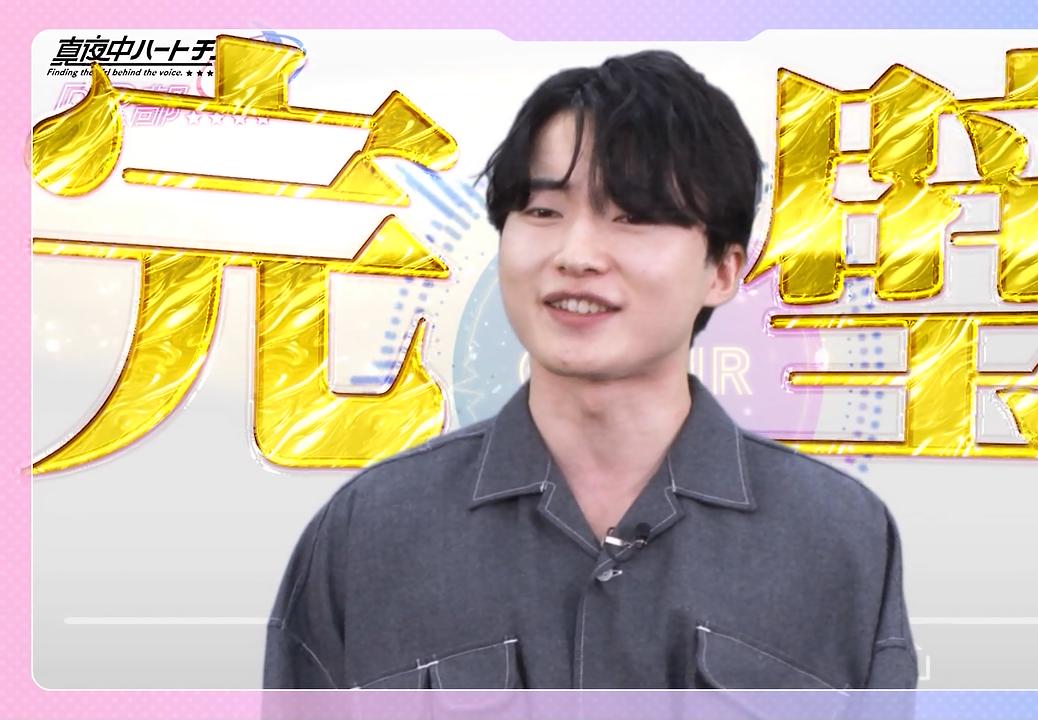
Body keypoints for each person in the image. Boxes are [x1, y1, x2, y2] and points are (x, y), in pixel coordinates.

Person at [264, 50, 916, 690]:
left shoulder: (841, 541)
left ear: (722, 270)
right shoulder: (370, 532)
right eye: (543, 211)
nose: (576, 254)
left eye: (633, 216)